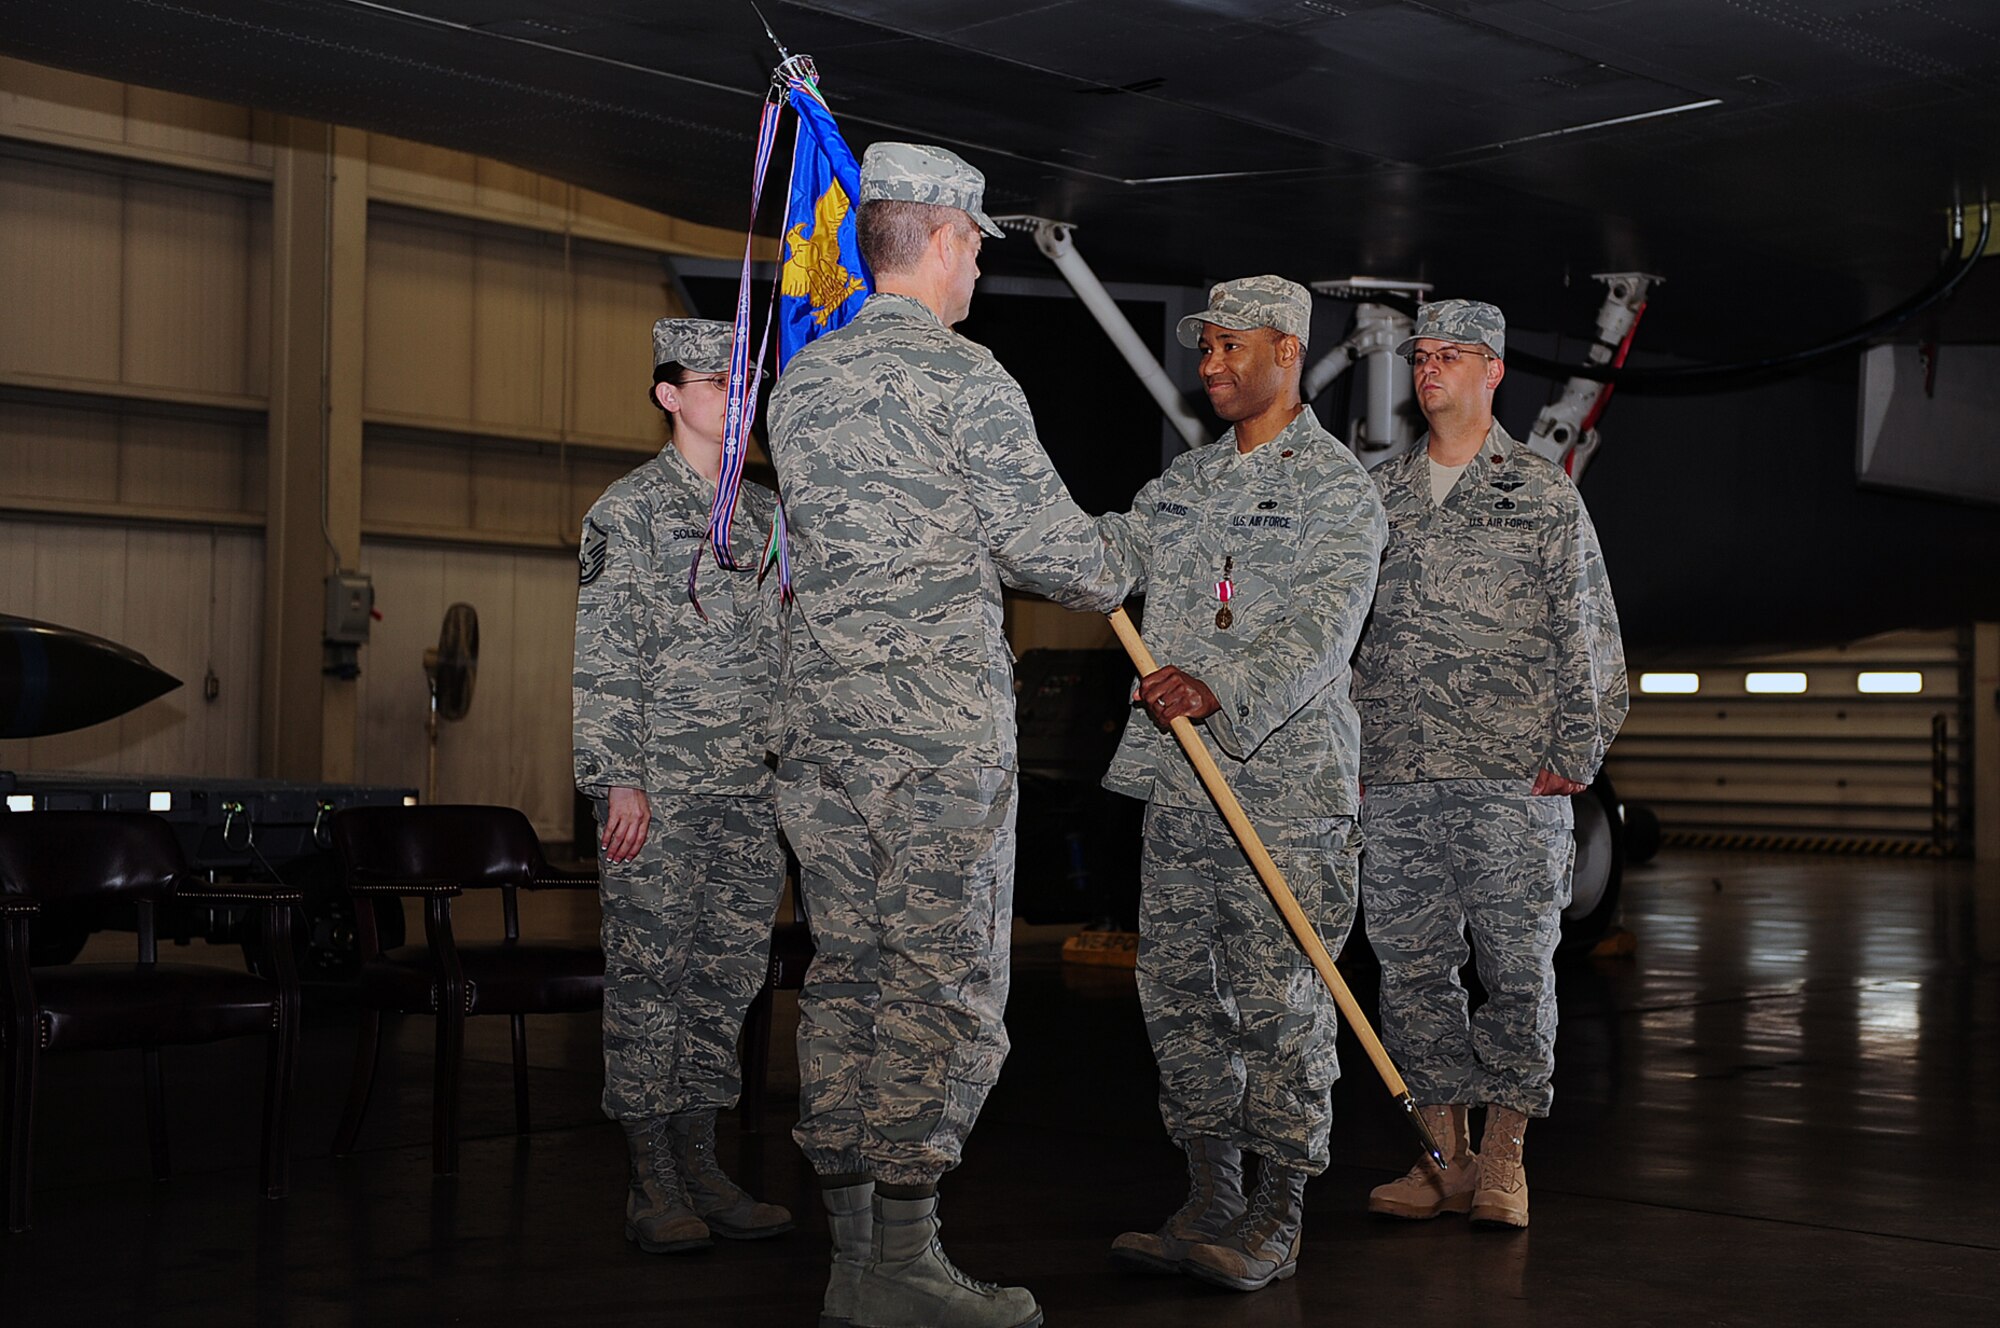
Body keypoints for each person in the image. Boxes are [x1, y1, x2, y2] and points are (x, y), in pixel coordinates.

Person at [766, 141, 1133, 1328]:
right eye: (976, 239)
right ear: (933, 234)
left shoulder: (801, 383)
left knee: (847, 976)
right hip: (931, 742)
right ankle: (906, 1260)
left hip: (821, 731)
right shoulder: (964, 378)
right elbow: (1057, 555)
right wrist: (1143, 543)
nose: (980, 263)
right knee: (945, 982)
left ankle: (852, 1256)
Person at [1096, 276, 1387, 1292]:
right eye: (1203, 348)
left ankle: (1278, 1207)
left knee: (1278, 1003)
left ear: (1285, 349)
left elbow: (1320, 630)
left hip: (1286, 795)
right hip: (1182, 790)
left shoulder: (1338, 489)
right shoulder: (1182, 481)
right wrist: (1006, 511)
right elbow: (1107, 552)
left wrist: (1215, 682)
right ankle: (1210, 1195)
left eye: (1228, 346)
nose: (1208, 364)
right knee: (1179, 996)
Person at [1353, 298, 1627, 1229]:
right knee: (1413, 968)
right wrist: (1346, 751)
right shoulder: (1380, 497)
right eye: (1422, 355)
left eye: (1453, 356)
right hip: (1395, 775)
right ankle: (1442, 1160)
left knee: (1517, 969)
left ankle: (1506, 1156)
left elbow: (1589, 633)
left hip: (1512, 778)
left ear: (1495, 370)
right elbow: (1347, 639)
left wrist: (1576, 749)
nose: (1429, 370)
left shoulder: (1542, 492)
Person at [572, 317, 792, 1255]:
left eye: (746, 381)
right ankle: (650, 1178)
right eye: (716, 380)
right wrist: (617, 778)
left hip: (752, 792)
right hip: (658, 791)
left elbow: (792, 653)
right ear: (670, 394)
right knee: (649, 981)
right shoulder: (627, 514)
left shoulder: (770, 515)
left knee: (725, 983)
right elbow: (605, 658)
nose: (736, 398)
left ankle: (702, 1162)